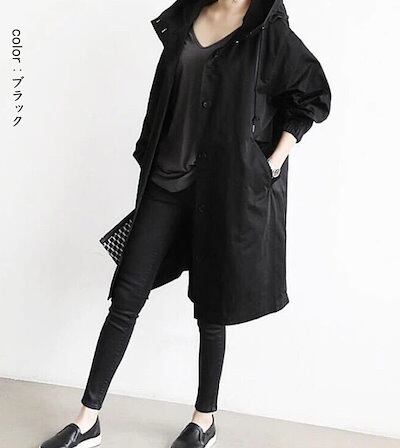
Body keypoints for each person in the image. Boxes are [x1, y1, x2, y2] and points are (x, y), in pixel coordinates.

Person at [39, 0, 331, 447]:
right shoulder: (188, 13)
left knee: (211, 307)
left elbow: (312, 94)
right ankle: (87, 418)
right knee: (126, 296)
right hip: (165, 181)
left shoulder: (266, 30)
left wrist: (273, 161)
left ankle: (203, 419)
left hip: (221, 190)